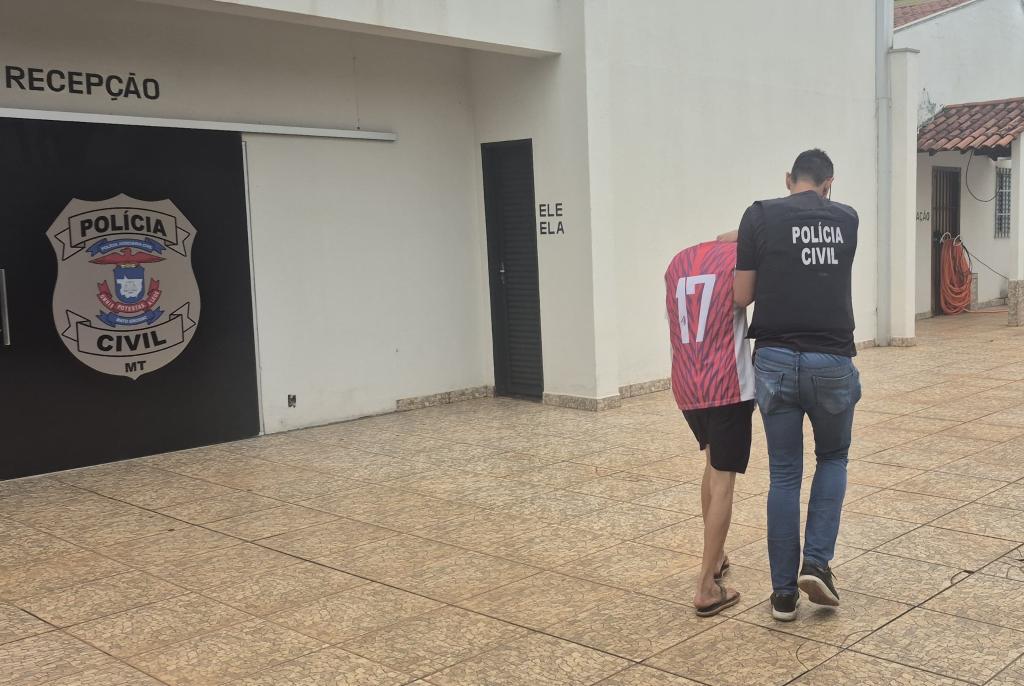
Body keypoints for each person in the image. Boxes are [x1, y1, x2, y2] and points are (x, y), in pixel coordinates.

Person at [727, 149, 861, 621]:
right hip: (831, 360)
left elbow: (742, 295)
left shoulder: (758, 217)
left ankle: (783, 594)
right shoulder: (847, 219)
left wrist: (744, 242)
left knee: (784, 474)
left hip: (776, 361)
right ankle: (817, 565)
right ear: (829, 184)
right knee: (833, 457)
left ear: (788, 179)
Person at [664, 239, 756, 617]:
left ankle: (715, 559)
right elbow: (746, 297)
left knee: (712, 463)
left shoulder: (680, 262)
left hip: (687, 385)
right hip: (727, 386)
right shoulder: (740, 259)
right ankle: (706, 587)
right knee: (723, 481)